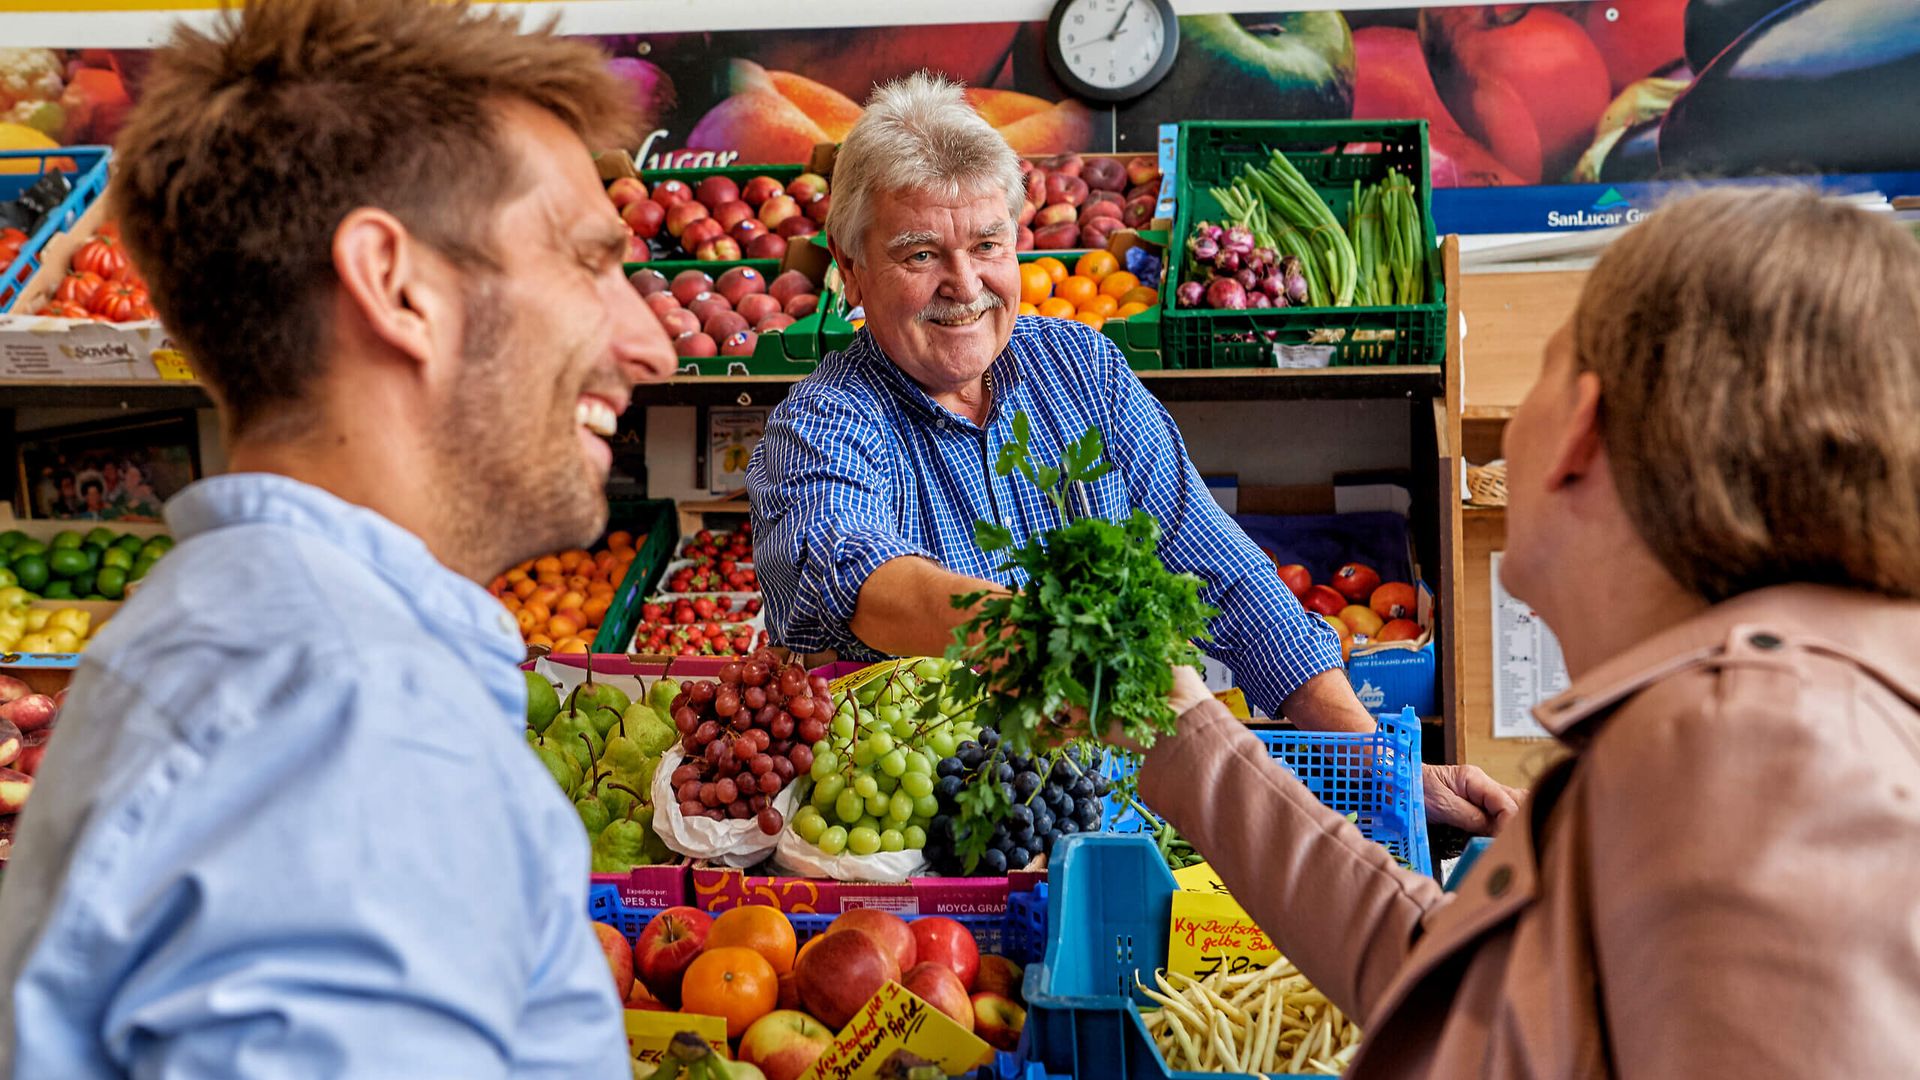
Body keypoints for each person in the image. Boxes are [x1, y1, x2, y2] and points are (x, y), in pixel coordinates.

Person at [0, 2, 674, 1076]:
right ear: (398, 287)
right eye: (592, 264)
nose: (655, 344)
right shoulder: (348, 718)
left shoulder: (238, 640)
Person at [1127, 189, 1920, 1076]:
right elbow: (1476, 1002)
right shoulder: (1784, 705)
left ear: (1579, 429)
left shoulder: (1744, 751)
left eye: (1542, 373)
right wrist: (1196, 747)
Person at [746, 73, 1517, 832]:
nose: (964, 283)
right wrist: (1058, 642)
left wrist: (1374, 765)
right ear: (850, 267)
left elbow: (1223, 573)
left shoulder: (1082, 371)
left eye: (988, 244)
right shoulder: (819, 424)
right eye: (920, 255)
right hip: (915, 842)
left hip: (1098, 805)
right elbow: (863, 578)